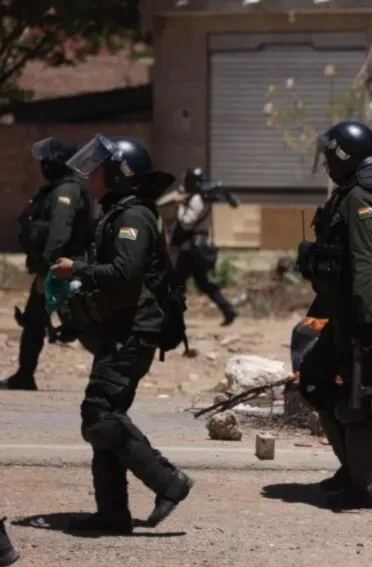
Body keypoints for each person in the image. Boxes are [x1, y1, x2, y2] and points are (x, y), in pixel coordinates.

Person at [53, 135, 193, 532]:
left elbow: (125, 277)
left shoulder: (132, 217)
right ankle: (112, 514)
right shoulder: (120, 213)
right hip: (120, 330)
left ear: (117, 176)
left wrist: (76, 271)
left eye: (98, 171)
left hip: (133, 332)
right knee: (107, 417)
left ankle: (168, 481)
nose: (91, 178)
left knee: (98, 416)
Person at [296, 120, 372, 509]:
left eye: (330, 156)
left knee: (357, 399)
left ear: (345, 157)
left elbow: (366, 267)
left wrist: (366, 324)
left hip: (359, 316)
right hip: (346, 313)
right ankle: (353, 468)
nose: (326, 163)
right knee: (314, 379)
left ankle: (367, 485)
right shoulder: (358, 191)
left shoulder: (361, 197)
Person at [2, 138, 92, 391]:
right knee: (34, 320)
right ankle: (24, 374)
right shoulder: (58, 189)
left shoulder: (66, 192)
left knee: (84, 325)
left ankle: (116, 373)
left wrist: (46, 271)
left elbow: (58, 235)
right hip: (57, 269)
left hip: (62, 270)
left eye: (46, 160)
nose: (42, 164)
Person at [170, 167, 238, 326]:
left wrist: (180, 207)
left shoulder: (196, 200)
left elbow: (187, 223)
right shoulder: (202, 198)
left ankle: (173, 318)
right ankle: (228, 309)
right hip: (197, 247)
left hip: (191, 248)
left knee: (177, 283)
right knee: (202, 282)